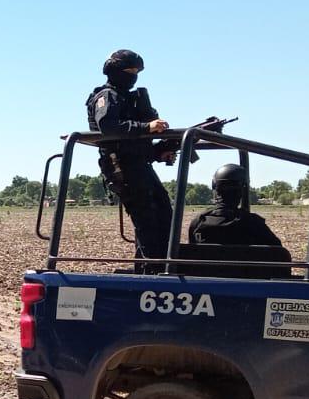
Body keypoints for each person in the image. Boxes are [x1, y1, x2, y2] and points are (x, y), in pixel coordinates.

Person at [86, 49, 173, 265]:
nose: (134, 76)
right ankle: (150, 272)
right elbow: (109, 127)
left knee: (162, 210)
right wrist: (147, 126)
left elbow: (132, 142)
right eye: (130, 71)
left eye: (136, 72)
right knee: (147, 219)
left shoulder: (126, 98)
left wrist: (158, 151)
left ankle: (162, 264)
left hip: (138, 164)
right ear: (115, 71)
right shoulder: (107, 96)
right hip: (122, 166)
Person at [188, 164, 286, 248]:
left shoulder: (198, 223)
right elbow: (279, 256)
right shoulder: (255, 225)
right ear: (242, 191)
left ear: (215, 189)